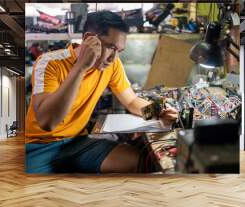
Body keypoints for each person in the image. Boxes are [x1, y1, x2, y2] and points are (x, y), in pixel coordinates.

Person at [25, 11, 178, 174]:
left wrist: (157, 111)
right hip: (39, 147)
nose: (114, 58)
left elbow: (131, 101)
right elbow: (48, 122)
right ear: (88, 39)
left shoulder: (112, 65)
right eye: (111, 47)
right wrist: (81, 67)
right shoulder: (50, 62)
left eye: (119, 51)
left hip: (78, 142)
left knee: (141, 162)